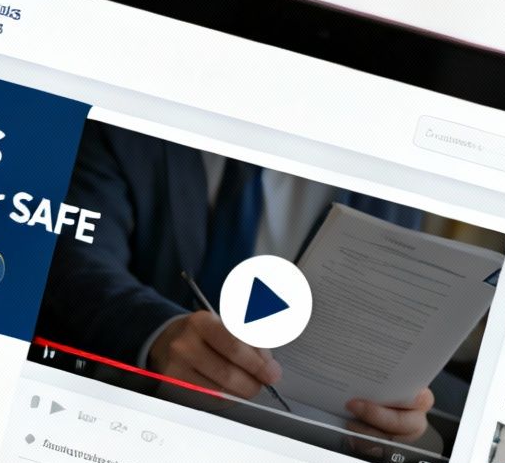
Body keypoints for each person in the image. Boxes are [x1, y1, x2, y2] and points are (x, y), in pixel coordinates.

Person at [36, 126, 436, 440]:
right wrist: (158, 333)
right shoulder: (128, 129)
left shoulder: (395, 179)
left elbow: (372, 330)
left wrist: (394, 409)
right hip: (113, 413)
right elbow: (72, 255)